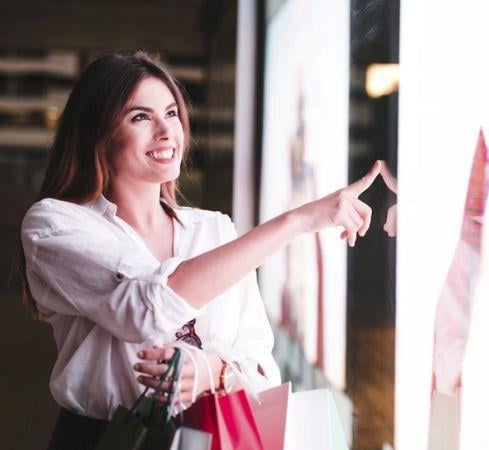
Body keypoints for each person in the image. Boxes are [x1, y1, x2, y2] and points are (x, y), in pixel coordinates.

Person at [18, 51, 381, 450]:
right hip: (104, 438)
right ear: (98, 133)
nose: (165, 130)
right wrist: (296, 221)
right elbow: (146, 309)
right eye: (140, 117)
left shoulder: (214, 230)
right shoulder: (54, 224)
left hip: (211, 435)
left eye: (172, 113)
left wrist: (215, 371)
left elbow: (262, 369)